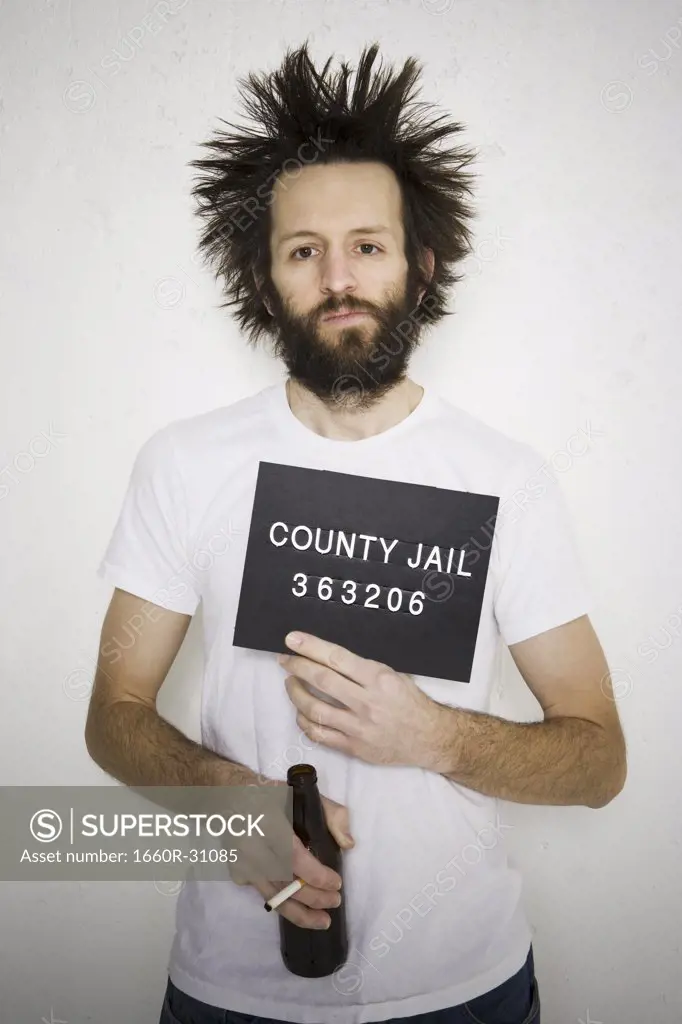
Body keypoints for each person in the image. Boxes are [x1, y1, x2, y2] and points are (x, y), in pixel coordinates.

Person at [86, 40, 627, 1024]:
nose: (338, 277)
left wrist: (436, 736)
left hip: (465, 990)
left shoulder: (506, 479)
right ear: (265, 275)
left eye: (367, 246)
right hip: (230, 993)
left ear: (418, 268)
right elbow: (112, 714)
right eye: (304, 250)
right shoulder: (184, 463)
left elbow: (599, 761)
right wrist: (230, 810)